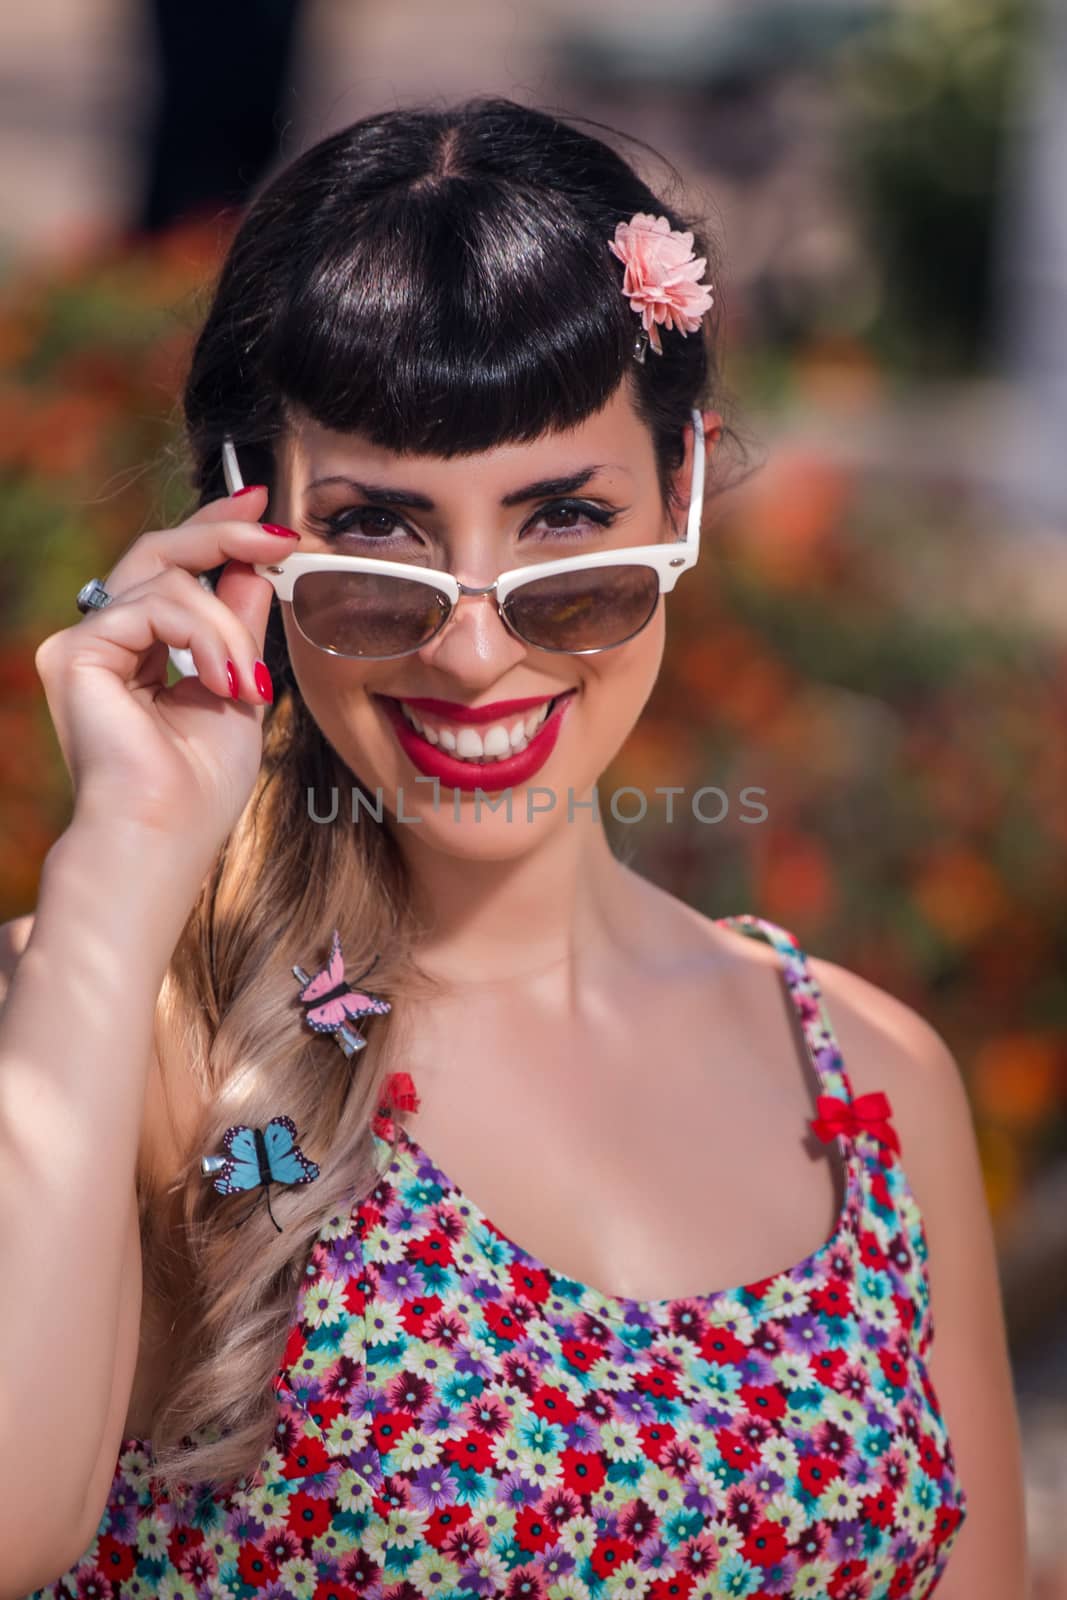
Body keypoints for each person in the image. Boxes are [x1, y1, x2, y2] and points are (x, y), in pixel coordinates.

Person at [0, 98, 1027, 1597]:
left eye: (567, 531)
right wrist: (118, 865)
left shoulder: (873, 1084)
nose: (476, 653)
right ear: (249, 530)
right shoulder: (126, 1038)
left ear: (682, 491)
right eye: (383, 544)